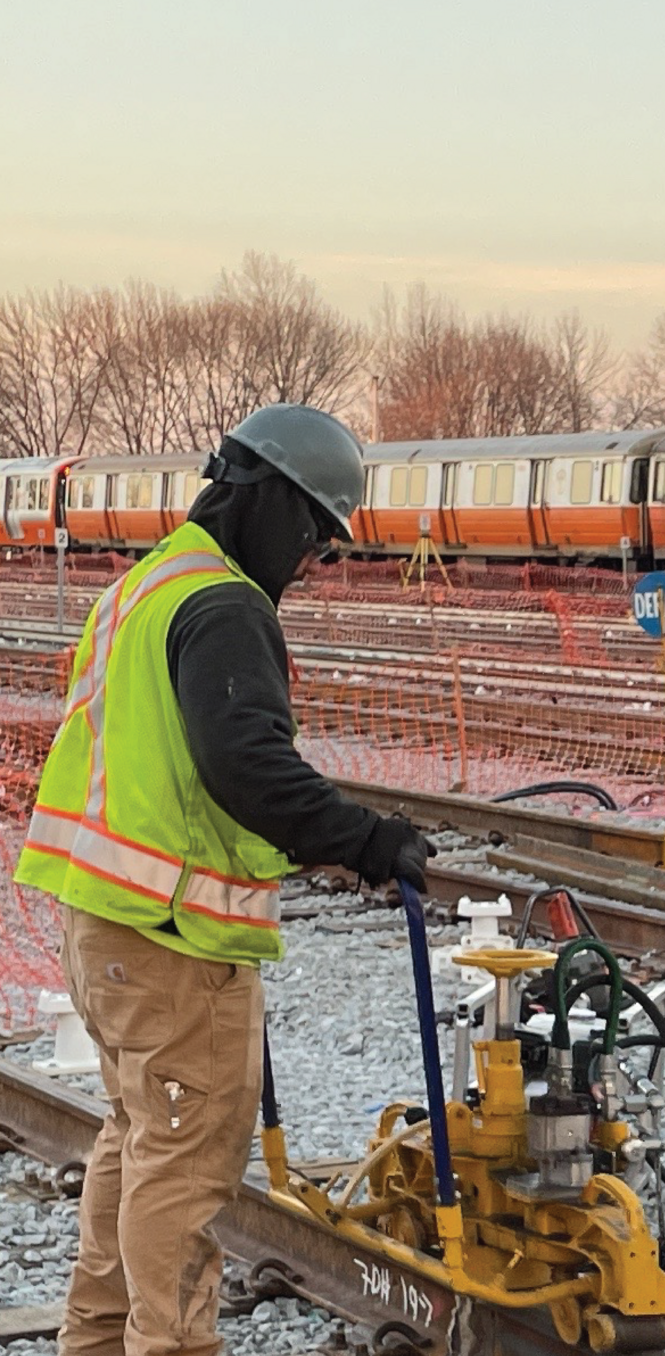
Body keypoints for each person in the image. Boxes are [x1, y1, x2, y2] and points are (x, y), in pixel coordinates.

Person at [14, 403, 435, 1356]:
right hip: (172, 940)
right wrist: (367, 840)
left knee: (137, 1144)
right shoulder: (224, 603)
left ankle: (97, 1340)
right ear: (269, 498)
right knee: (187, 1170)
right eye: (317, 536)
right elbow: (246, 764)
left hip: (103, 922)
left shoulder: (147, 586)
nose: (312, 563)